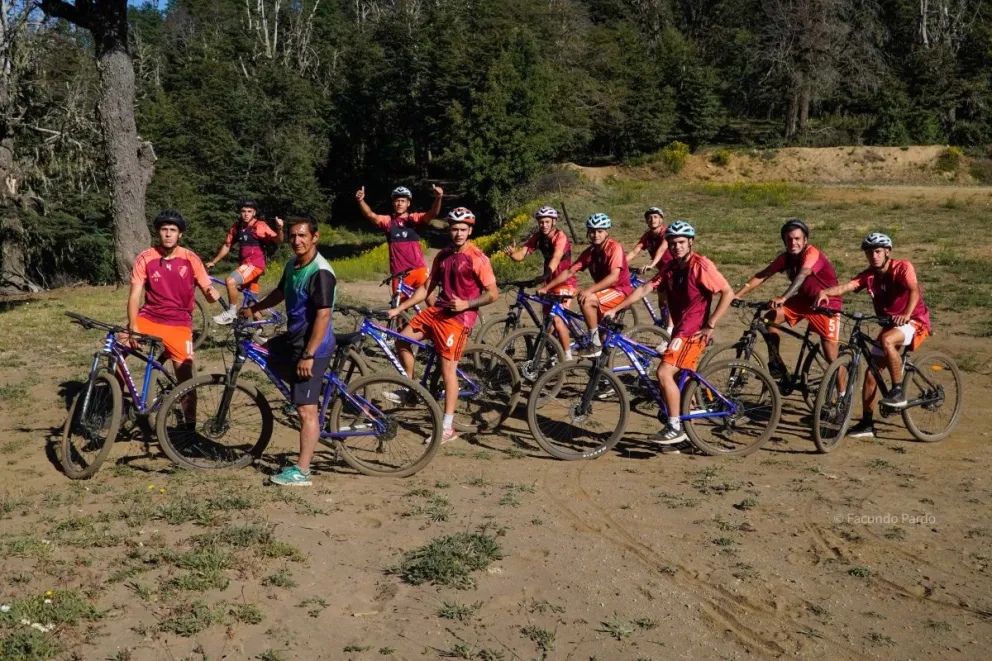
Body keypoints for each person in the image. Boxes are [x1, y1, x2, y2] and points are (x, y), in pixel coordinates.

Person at [605, 221, 734, 447]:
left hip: (691, 332)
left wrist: (711, 323)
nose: (677, 247)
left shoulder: (700, 265)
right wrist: (616, 308)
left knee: (664, 373)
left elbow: (727, 292)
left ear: (690, 242)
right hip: (680, 330)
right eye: (673, 243)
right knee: (677, 381)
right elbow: (646, 288)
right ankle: (686, 430)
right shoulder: (671, 267)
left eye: (682, 242)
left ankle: (675, 427)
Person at [387, 207, 499, 444]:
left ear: (470, 231)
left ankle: (448, 427)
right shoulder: (444, 254)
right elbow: (427, 287)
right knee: (402, 339)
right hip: (437, 311)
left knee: (448, 369)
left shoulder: (477, 257)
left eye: (462, 229)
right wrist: (400, 308)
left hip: (459, 319)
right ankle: (409, 389)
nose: (458, 233)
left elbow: (493, 294)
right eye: (454, 229)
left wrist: (467, 303)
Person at [241, 218, 337, 486]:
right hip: (294, 339)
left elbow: (323, 316)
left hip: (313, 347)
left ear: (315, 237)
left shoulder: (320, 272)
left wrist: (308, 355)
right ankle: (302, 392)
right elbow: (281, 292)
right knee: (263, 351)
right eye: (293, 236)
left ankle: (302, 471)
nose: (297, 241)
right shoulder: (293, 265)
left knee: (306, 411)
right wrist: (253, 308)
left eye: (303, 236)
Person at [815, 233, 931, 438]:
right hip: (890, 325)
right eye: (869, 253)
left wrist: (906, 313)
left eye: (877, 251)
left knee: (886, 340)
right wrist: (826, 293)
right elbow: (847, 286)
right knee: (871, 375)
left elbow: (914, 291)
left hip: (914, 321)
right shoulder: (869, 275)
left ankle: (897, 391)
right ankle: (867, 424)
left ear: (888, 252)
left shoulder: (903, 267)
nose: (873, 256)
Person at [734, 219, 844, 385]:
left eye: (797, 239)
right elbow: (763, 274)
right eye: (789, 239)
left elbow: (802, 275)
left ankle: (842, 395)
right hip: (803, 300)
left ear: (805, 240)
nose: (793, 243)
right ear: (785, 241)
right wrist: (737, 295)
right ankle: (776, 363)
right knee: (771, 317)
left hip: (826, 304)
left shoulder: (812, 253)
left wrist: (784, 298)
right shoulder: (785, 258)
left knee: (831, 356)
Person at [128, 210, 220, 391]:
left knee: (186, 381)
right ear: (158, 232)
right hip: (149, 316)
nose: (168, 234)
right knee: (116, 352)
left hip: (179, 322)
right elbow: (133, 297)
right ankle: (114, 403)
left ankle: (189, 419)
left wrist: (211, 294)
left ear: (180, 234)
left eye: (173, 230)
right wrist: (133, 327)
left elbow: (208, 294)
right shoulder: (145, 258)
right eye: (164, 229)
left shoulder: (190, 258)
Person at [539, 213, 632, 358]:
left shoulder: (614, 247)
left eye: (600, 231)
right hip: (603, 293)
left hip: (620, 290)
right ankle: (605, 375)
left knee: (587, 300)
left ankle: (593, 344)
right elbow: (569, 271)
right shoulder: (590, 252)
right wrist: (546, 287)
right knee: (604, 336)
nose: (596, 235)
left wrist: (589, 290)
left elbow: (614, 277)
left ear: (607, 231)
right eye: (592, 231)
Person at [503, 205, 578, 360]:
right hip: (548, 284)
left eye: (546, 222)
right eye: (541, 222)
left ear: (554, 222)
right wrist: (512, 254)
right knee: (546, 325)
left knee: (557, 320)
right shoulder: (537, 237)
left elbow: (556, 257)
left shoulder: (560, 237)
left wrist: (546, 275)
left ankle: (568, 359)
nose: (543, 225)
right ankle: (552, 355)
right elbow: (521, 255)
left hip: (565, 282)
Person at [355, 184, 443, 301]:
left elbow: (433, 213)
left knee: (431, 303)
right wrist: (360, 201)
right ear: (393, 203)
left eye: (403, 201)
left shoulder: (414, 219)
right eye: (397, 200)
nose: (400, 203)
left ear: (408, 204)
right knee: (398, 312)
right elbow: (370, 215)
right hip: (399, 274)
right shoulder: (388, 221)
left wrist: (439, 198)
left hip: (418, 270)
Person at [207, 198, 284, 325]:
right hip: (245, 266)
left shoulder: (260, 225)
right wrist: (214, 261)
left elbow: (278, 240)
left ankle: (231, 313)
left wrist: (280, 228)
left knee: (230, 281)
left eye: (249, 211)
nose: (246, 214)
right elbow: (227, 245)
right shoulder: (236, 227)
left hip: (254, 265)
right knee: (251, 304)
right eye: (243, 211)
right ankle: (259, 331)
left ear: (254, 213)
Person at [626, 207, 669, 274]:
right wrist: (620, 263)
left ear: (661, 219)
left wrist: (651, 265)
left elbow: (662, 249)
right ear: (646, 221)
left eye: (655, 217)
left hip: (676, 268)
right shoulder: (647, 236)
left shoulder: (667, 232)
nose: (652, 220)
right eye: (649, 217)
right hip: (663, 271)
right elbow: (634, 251)